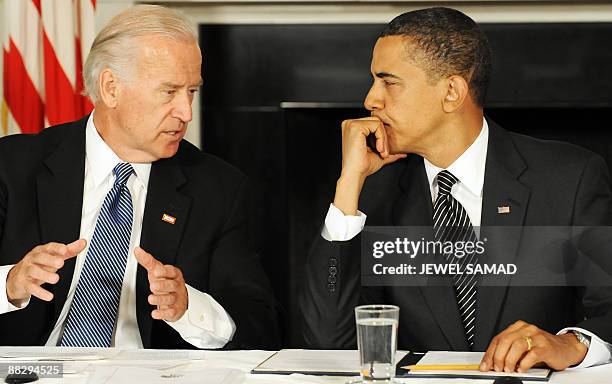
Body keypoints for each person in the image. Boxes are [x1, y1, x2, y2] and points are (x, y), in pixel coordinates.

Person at [301, 7, 612, 372]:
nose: (371, 100)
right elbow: (328, 342)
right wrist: (348, 186)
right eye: (373, 81)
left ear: (452, 92)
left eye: (389, 82)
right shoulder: (373, 193)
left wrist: (570, 343)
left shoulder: (569, 179)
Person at [0, 5, 280, 350]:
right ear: (111, 88)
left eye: (191, 91)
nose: (186, 113)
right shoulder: (11, 166)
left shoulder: (220, 189)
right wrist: (9, 284)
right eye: (169, 92)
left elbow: (259, 324)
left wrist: (189, 308)